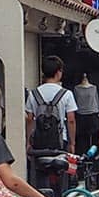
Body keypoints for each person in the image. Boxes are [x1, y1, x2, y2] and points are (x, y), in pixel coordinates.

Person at [27, 56, 77, 187]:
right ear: (58, 72)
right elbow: (71, 120)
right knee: (62, 168)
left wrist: (28, 141)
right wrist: (72, 142)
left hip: (39, 141)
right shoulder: (66, 94)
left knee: (40, 169)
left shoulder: (33, 94)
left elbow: (30, 119)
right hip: (61, 140)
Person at [70, 68, 99, 155]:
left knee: (93, 138)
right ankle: (82, 156)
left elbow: (97, 101)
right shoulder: (76, 88)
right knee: (82, 138)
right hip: (81, 115)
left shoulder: (94, 88)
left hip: (93, 115)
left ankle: (93, 157)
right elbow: (75, 102)